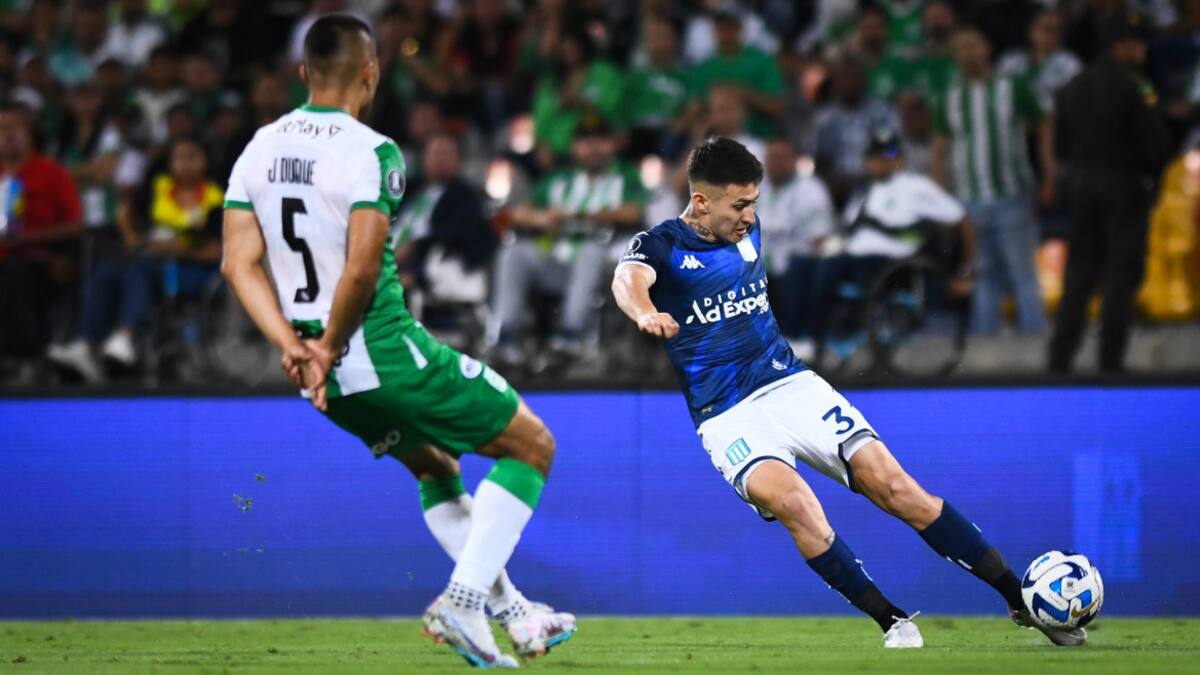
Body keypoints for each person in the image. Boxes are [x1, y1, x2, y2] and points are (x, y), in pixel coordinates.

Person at [611, 136, 1088, 650]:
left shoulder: (746, 229)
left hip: (789, 384)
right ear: (701, 201)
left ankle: (1019, 598)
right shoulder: (661, 243)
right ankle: (891, 619)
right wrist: (645, 311)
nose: (750, 216)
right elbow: (628, 278)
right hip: (726, 414)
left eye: (754, 202)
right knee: (795, 505)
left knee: (896, 488)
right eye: (739, 205)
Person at [219, 16, 574, 667]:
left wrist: (296, 347)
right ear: (371, 73)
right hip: (379, 350)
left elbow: (237, 264)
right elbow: (361, 269)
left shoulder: (258, 148)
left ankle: (516, 615)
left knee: (435, 466)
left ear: (303, 73)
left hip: (322, 378)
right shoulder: (372, 151)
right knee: (532, 447)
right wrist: (330, 343)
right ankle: (462, 601)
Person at [1048, 13, 1171, 374]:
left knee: (1080, 274)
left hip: (1084, 187)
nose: (1143, 51)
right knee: (1120, 271)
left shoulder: (1074, 86)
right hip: (1124, 187)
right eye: (1137, 44)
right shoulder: (1135, 87)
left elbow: (1060, 146)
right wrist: (1149, 174)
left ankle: (1059, 359)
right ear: (1120, 46)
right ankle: (1110, 360)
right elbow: (1157, 145)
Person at [49, 137, 223, 380]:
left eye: (192, 157)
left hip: (195, 272)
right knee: (107, 273)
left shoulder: (217, 198)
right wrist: (126, 226)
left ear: (205, 161)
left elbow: (218, 251)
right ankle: (85, 345)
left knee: (137, 272)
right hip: (153, 264)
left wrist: (174, 249)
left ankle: (126, 337)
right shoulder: (156, 190)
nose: (185, 164)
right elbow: (136, 240)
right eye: (179, 158)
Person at [491, 114, 645, 363]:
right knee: (514, 252)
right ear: (575, 146)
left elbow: (634, 212)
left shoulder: (625, 175)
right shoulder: (559, 179)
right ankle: (507, 337)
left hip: (606, 269)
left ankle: (571, 334)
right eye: (585, 141)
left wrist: (586, 216)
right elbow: (518, 213)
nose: (592, 147)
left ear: (612, 144)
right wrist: (543, 219)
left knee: (590, 249)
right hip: (557, 260)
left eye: (600, 140)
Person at [932, 27, 1052, 336]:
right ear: (955, 55)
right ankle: (984, 345)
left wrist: (1048, 174)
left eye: (974, 45)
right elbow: (940, 149)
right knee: (982, 272)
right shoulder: (949, 97)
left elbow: (1043, 125)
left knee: (1022, 270)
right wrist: (941, 198)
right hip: (969, 196)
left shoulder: (1012, 86)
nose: (968, 53)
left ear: (987, 49)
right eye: (962, 47)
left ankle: (1035, 339)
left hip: (1012, 193)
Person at [0, 102, 82, 380]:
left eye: (16, 128)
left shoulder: (51, 172)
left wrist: (27, 238)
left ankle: (25, 359)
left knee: (13, 276)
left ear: (30, 133)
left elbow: (75, 225)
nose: (9, 135)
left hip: (40, 259)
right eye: (2, 129)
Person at [754, 137, 835, 357]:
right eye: (772, 158)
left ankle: (798, 337)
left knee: (799, 268)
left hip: (796, 265)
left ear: (794, 160)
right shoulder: (755, 190)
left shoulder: (811, 190)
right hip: (759, 266)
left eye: (782, 158)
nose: (776, 163)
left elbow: (821, 239)